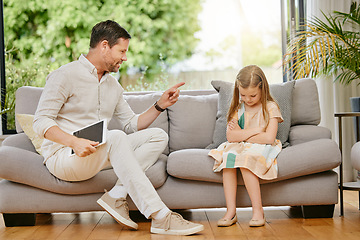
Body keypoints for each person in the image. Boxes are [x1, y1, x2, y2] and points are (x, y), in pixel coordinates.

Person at [33, 20, 204, 236]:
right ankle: (161, 216)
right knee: (114, 137)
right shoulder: (64, 75)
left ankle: (116, 195)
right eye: (122, 51)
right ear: (104, 46)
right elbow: (40, 121)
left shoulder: (113, 85)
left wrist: (160, 105)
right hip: (65, 156)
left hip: (97, 153)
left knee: (157, 136)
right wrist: (74, 142)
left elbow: (132, 125)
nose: (125, 57)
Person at [208, 65, 283, 227]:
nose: (248, 99)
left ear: (263, 89)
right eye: (243, 95)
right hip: (241, 145)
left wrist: (243, 133)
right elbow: (231, 136)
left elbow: (269, 138)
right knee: (228, 158)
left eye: (253, 95)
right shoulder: (238, 108)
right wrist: (257, 130)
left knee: (246, 160)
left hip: (261, 147)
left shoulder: (270, 107)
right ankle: (231, 211)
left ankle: (257, 210)